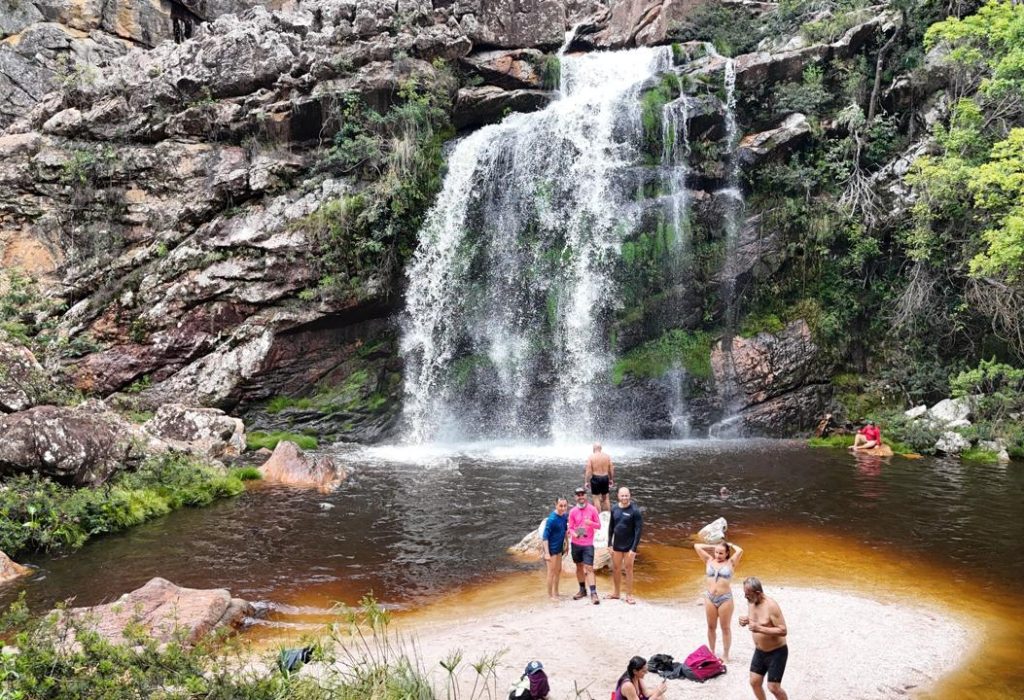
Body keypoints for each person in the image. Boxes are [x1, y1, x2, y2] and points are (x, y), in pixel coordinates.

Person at [693, 539, 744, 662]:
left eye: (721, 553)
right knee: (711, 627)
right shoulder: (709, 560)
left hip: (725, 599)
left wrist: (731, 544)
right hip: (710, 598)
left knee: (725, 628)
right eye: (716, 552)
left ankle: (726, 655)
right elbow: (697, 546)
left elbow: (740, 550)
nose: (718, 555)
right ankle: (712, 652)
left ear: (727, 553)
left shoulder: (731, 563)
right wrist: (712, 545)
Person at [739, 577, 789, 700]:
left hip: (777, 652)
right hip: (760, 651)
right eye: (745, 594)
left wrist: (759, 628)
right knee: (754, 682)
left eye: (748, 595)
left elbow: (783, 630)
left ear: (758, 593)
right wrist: (745, 619)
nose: (746, 597)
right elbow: (756, 618)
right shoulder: (751, 600)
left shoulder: (771, 606)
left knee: (773, 688)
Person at [607, 486, 642, 604]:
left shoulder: (635, 511)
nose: (624, 498)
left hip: (629, 546)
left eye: (626, 495)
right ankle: (616, 593)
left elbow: (638, 531)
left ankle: (629, 595)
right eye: (622, 495)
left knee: (628, 569)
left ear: (630, 495)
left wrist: (634, 549)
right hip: (617, 544)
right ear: (618, 496)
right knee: (616, 568)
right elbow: (611, 527)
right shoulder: (614, 509)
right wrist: (609, 543)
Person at [568, 486, 602, 604]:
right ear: (575, 497)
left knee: (589, 568)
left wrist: (590, 523)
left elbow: (599, 525)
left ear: (586, 496)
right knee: (578, 567)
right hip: (575, 543)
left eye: (583, 494)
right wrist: (574, 534)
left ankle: (593, 593)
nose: (581, 496)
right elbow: (570, 528)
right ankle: (582, 590)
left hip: (588, 544)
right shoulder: (572, 511)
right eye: (578, 494)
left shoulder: (592, 509)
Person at [541, 497, 569, 601]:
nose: (563, 508)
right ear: (556, 505)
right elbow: (545, 537)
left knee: (558, 571)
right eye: (560, 506)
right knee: (551, 572)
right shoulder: (551, 519)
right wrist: (547, 553)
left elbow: (565, 530)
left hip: (559, 548)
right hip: (551, 549)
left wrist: (567, 543)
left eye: (565, 506)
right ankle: (550, 595)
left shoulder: (565, 516)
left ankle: (556, 592)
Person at [584, 442, 615, 512]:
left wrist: (586, 481)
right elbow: (611, 469)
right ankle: (608, 515)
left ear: (594, 448)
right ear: (600, 448)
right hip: (605, 477)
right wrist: (611, 479)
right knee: (606, 498)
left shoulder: (591, 457)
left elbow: (588, 470)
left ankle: (599, 515)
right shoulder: (607, 456)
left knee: (596, 498)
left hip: (596, 478)